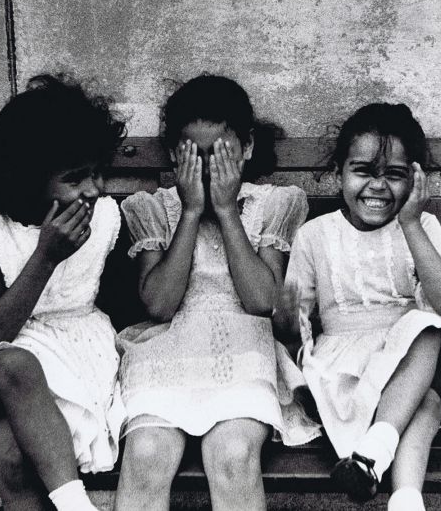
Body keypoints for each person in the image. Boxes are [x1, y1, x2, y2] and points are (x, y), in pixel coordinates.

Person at [275, 103, 441, 511]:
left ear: (414, 179)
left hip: (416, 362)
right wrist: (288, 315)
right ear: (338, 170)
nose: (377, 187)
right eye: (362, 171)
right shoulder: (314, 235)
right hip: (348, 376)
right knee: (424, 403)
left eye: (393, 175)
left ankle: (375, 457)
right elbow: (294, 327)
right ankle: (404, 493)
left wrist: (411, 223)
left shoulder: (422, 226)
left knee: (427, 325)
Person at [0, 74, 127, 511]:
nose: (94, 189)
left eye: (97, 173)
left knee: (10, 459)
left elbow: (129, 305)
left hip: (80, 356)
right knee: (17, 363)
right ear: (30, 180)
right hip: (12, 358)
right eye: (76, 178)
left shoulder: (105, 218)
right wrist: (45, 257)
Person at [113, 74, 320, 511]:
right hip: (167, 352)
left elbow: (262, 300)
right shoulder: (154, 209)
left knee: (232, 455)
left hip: (243, 351)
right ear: (173, 155)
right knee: (146, 455)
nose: (207, 169)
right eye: (194, 156)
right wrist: (190, 212)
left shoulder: (272, 204)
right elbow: (159, 305)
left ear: (246, 148)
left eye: (220, 154)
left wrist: (226, 211)